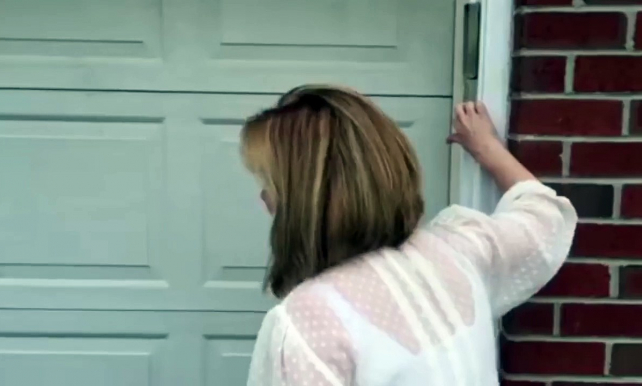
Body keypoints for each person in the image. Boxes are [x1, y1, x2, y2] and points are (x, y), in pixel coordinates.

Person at [240, 84, 577, 386]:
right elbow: (542, 218)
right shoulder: (456, 250)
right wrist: (487, 148)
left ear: (305, 199)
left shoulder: (310, 321)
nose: (265, 199)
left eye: (269, 184)